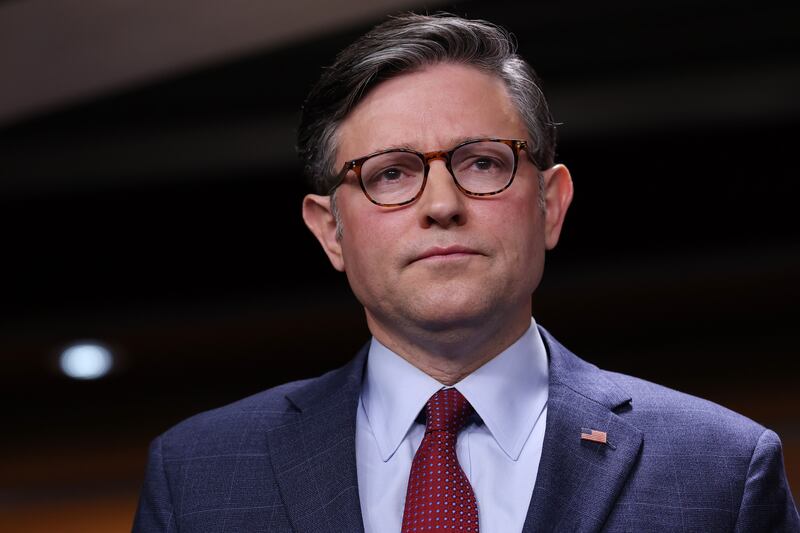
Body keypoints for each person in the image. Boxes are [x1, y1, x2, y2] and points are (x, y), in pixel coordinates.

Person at [133, 13, 799, 532]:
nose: (443, 205)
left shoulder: (720, 470)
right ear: (330, 229)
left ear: (550, 203)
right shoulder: (198, 475)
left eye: (481, 162)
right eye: (391, 173)